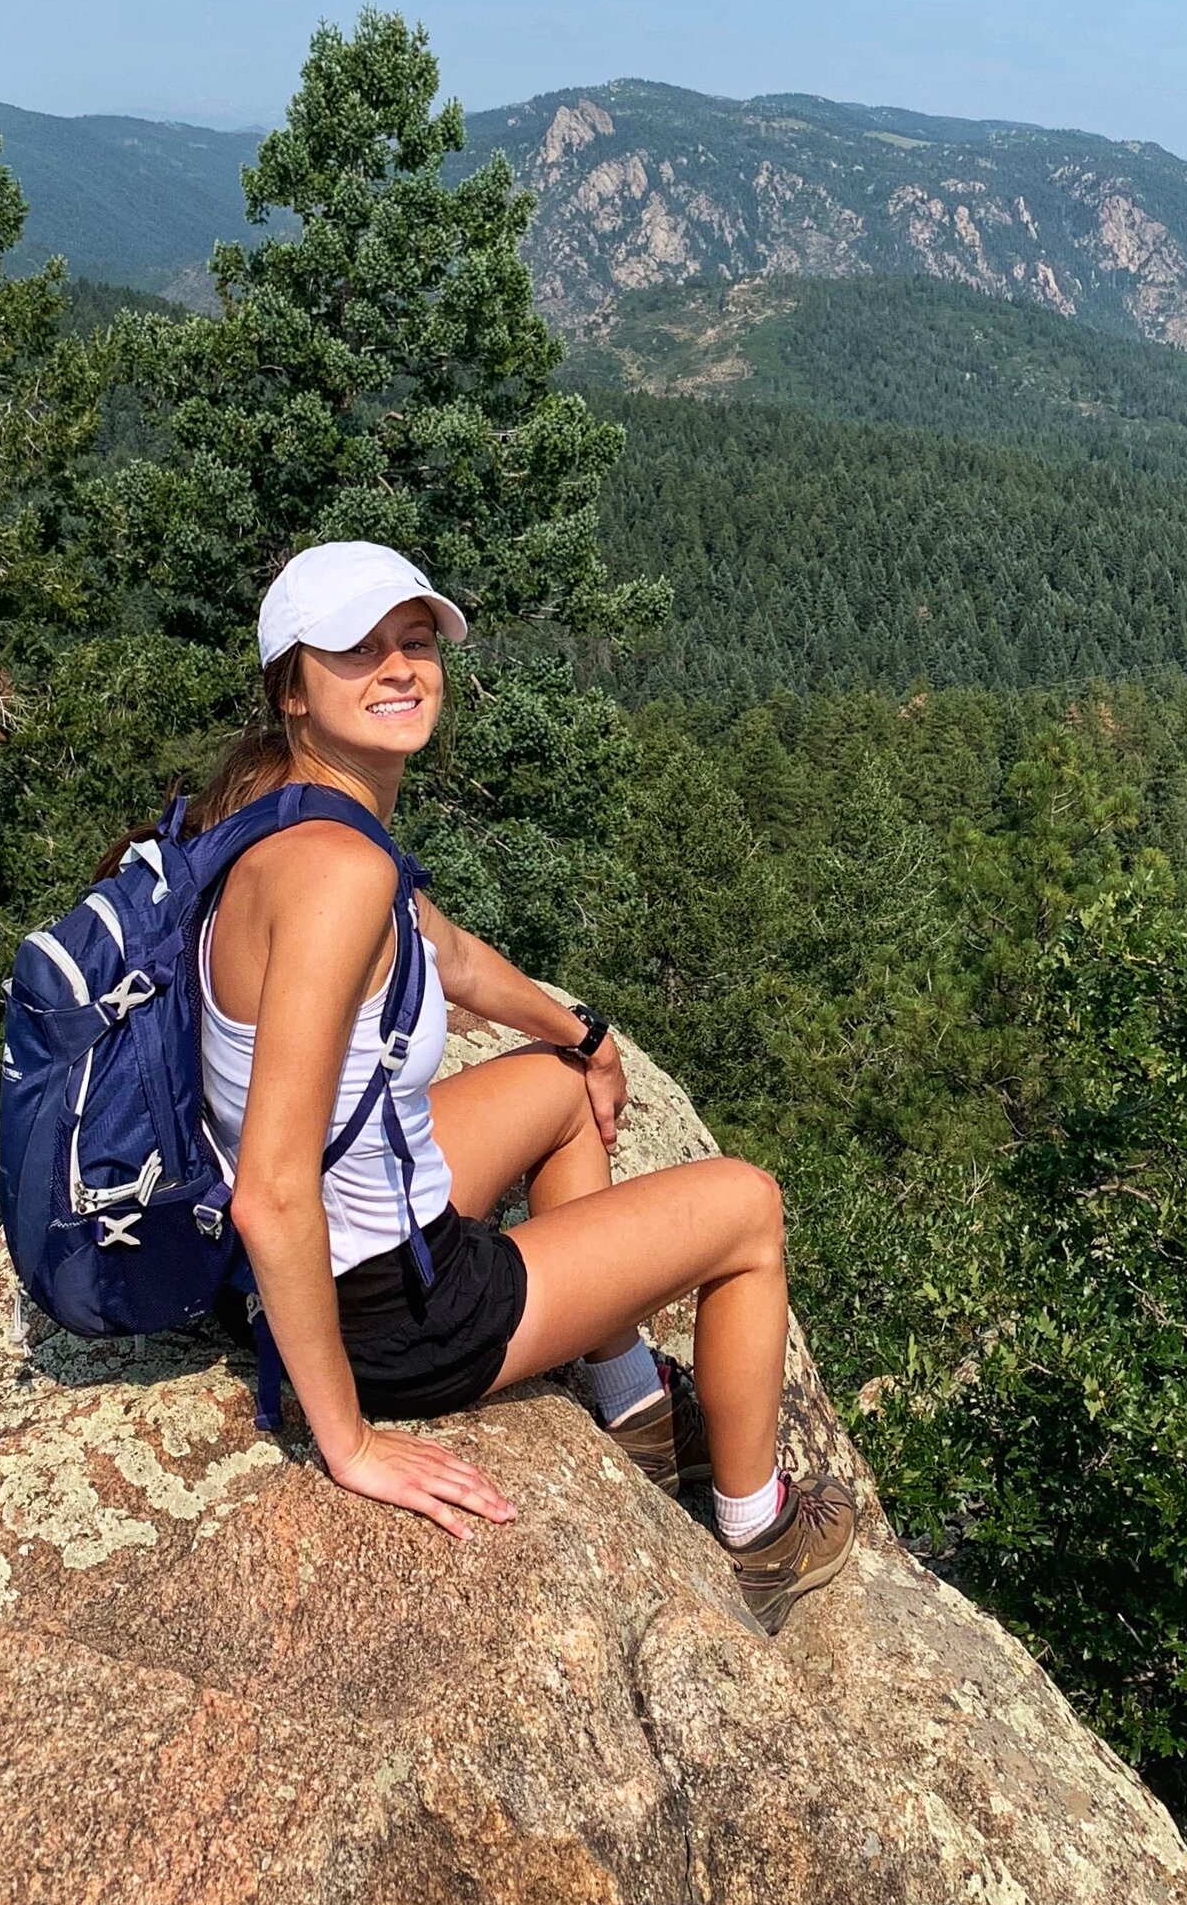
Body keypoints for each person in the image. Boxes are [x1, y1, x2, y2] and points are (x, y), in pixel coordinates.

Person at [194, 537, 857, 1634]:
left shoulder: (275, 809)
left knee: (556, 1089)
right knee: (747, 1208)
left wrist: (583, 1033)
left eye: (415, 642)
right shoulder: (338, 873)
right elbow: (270, 1192)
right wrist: (347, 1440)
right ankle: (758, 1533)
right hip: (393, 1314)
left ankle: (633, 1409)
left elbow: (447, 957)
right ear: (293, 690)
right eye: (359, 649)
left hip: (352, 1256)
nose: (400, 667)